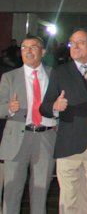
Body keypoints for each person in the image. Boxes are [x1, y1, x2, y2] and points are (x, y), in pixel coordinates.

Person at [39, 28, 87, 214]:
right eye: (72, 43)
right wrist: (55, 106)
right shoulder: (60, 72)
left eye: (81, 42)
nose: (75, 46)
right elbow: (44, 107)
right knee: (69, 199)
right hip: (69, 143)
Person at [0, 35, 56, 214]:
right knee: (11, 193)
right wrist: (9, 108)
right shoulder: (9, 77)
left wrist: (58, 109)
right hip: (17, 138)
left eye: (33, 47)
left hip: (46, 137)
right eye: (24, 47)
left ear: (43, 52)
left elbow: (62, 104)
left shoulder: (54, 75)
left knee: (40, 193)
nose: (28, 51)